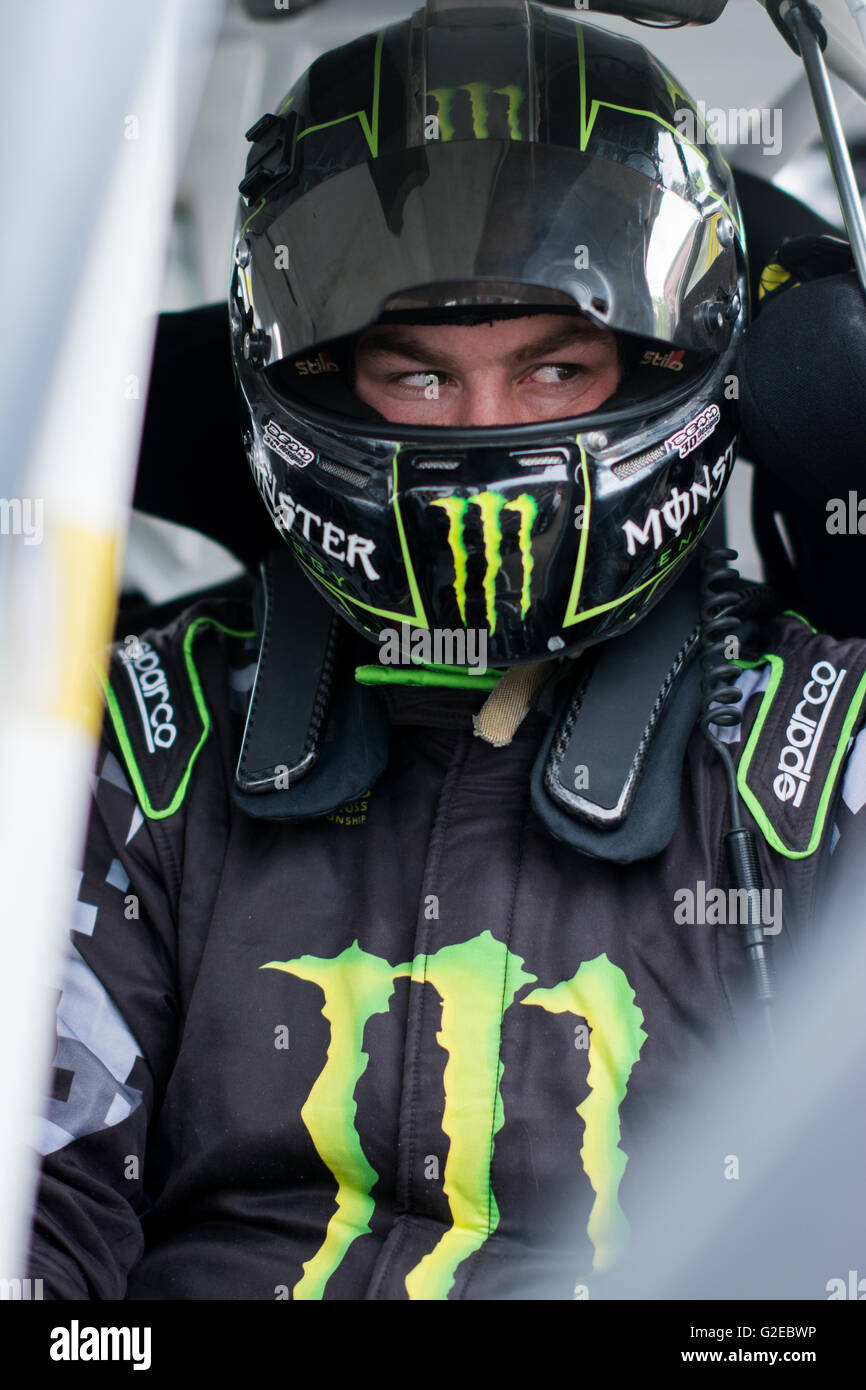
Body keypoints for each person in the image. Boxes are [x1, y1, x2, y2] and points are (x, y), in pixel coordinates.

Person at [26, 1, 866, 1301]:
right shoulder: (147, 734)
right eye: (415, 376)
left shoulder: (814, 764)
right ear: (309, 373)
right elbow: (37, 1224)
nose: (481, 432)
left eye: (552, 369)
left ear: (666, 364)